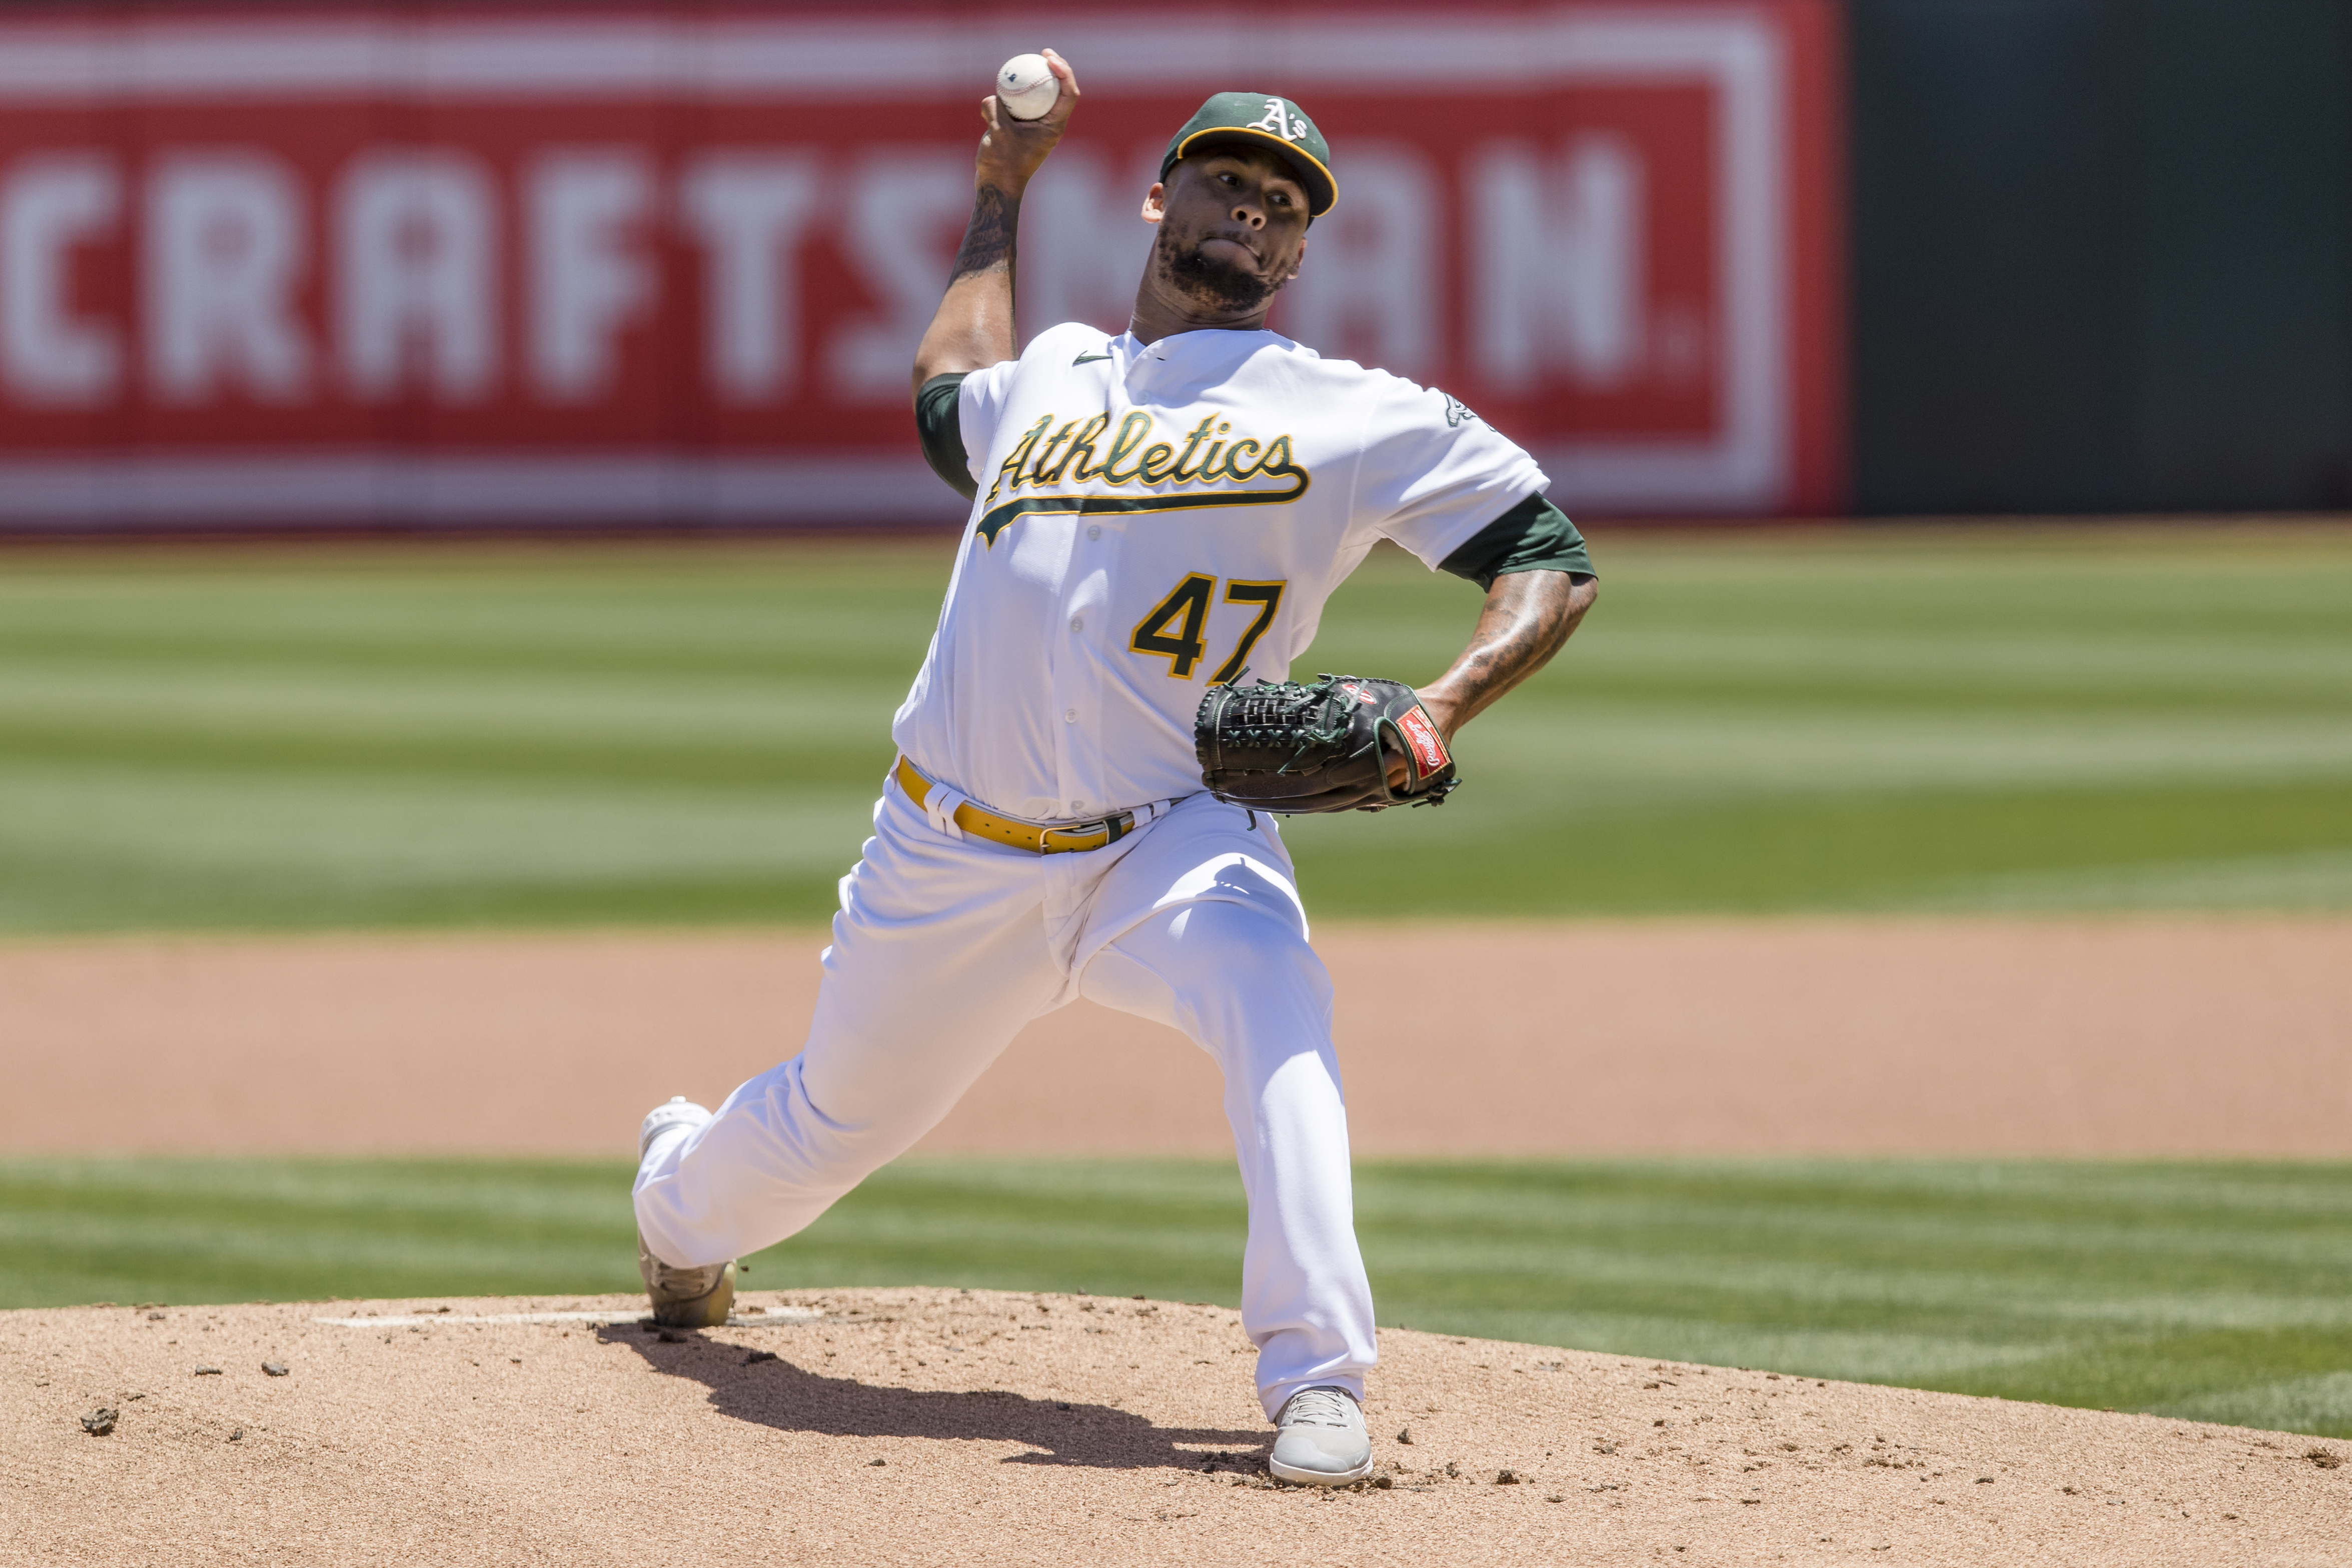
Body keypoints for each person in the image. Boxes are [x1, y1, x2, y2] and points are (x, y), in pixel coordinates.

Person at [631, 51, 1598, 1486]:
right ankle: (671, 1200)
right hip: (948, 852)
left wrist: (1444, 706)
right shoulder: (1057, 374)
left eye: (1286, 202)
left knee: (1278, 1008)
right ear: (1161, 200)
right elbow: (941, 393)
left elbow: (1546, 557)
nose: (1254, 212)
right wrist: (999, 194)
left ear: (1304, 246)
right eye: (1227, 180)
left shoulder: (1344, 408)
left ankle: (1318, 1378)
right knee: (804, 1143)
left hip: (1173, 839)